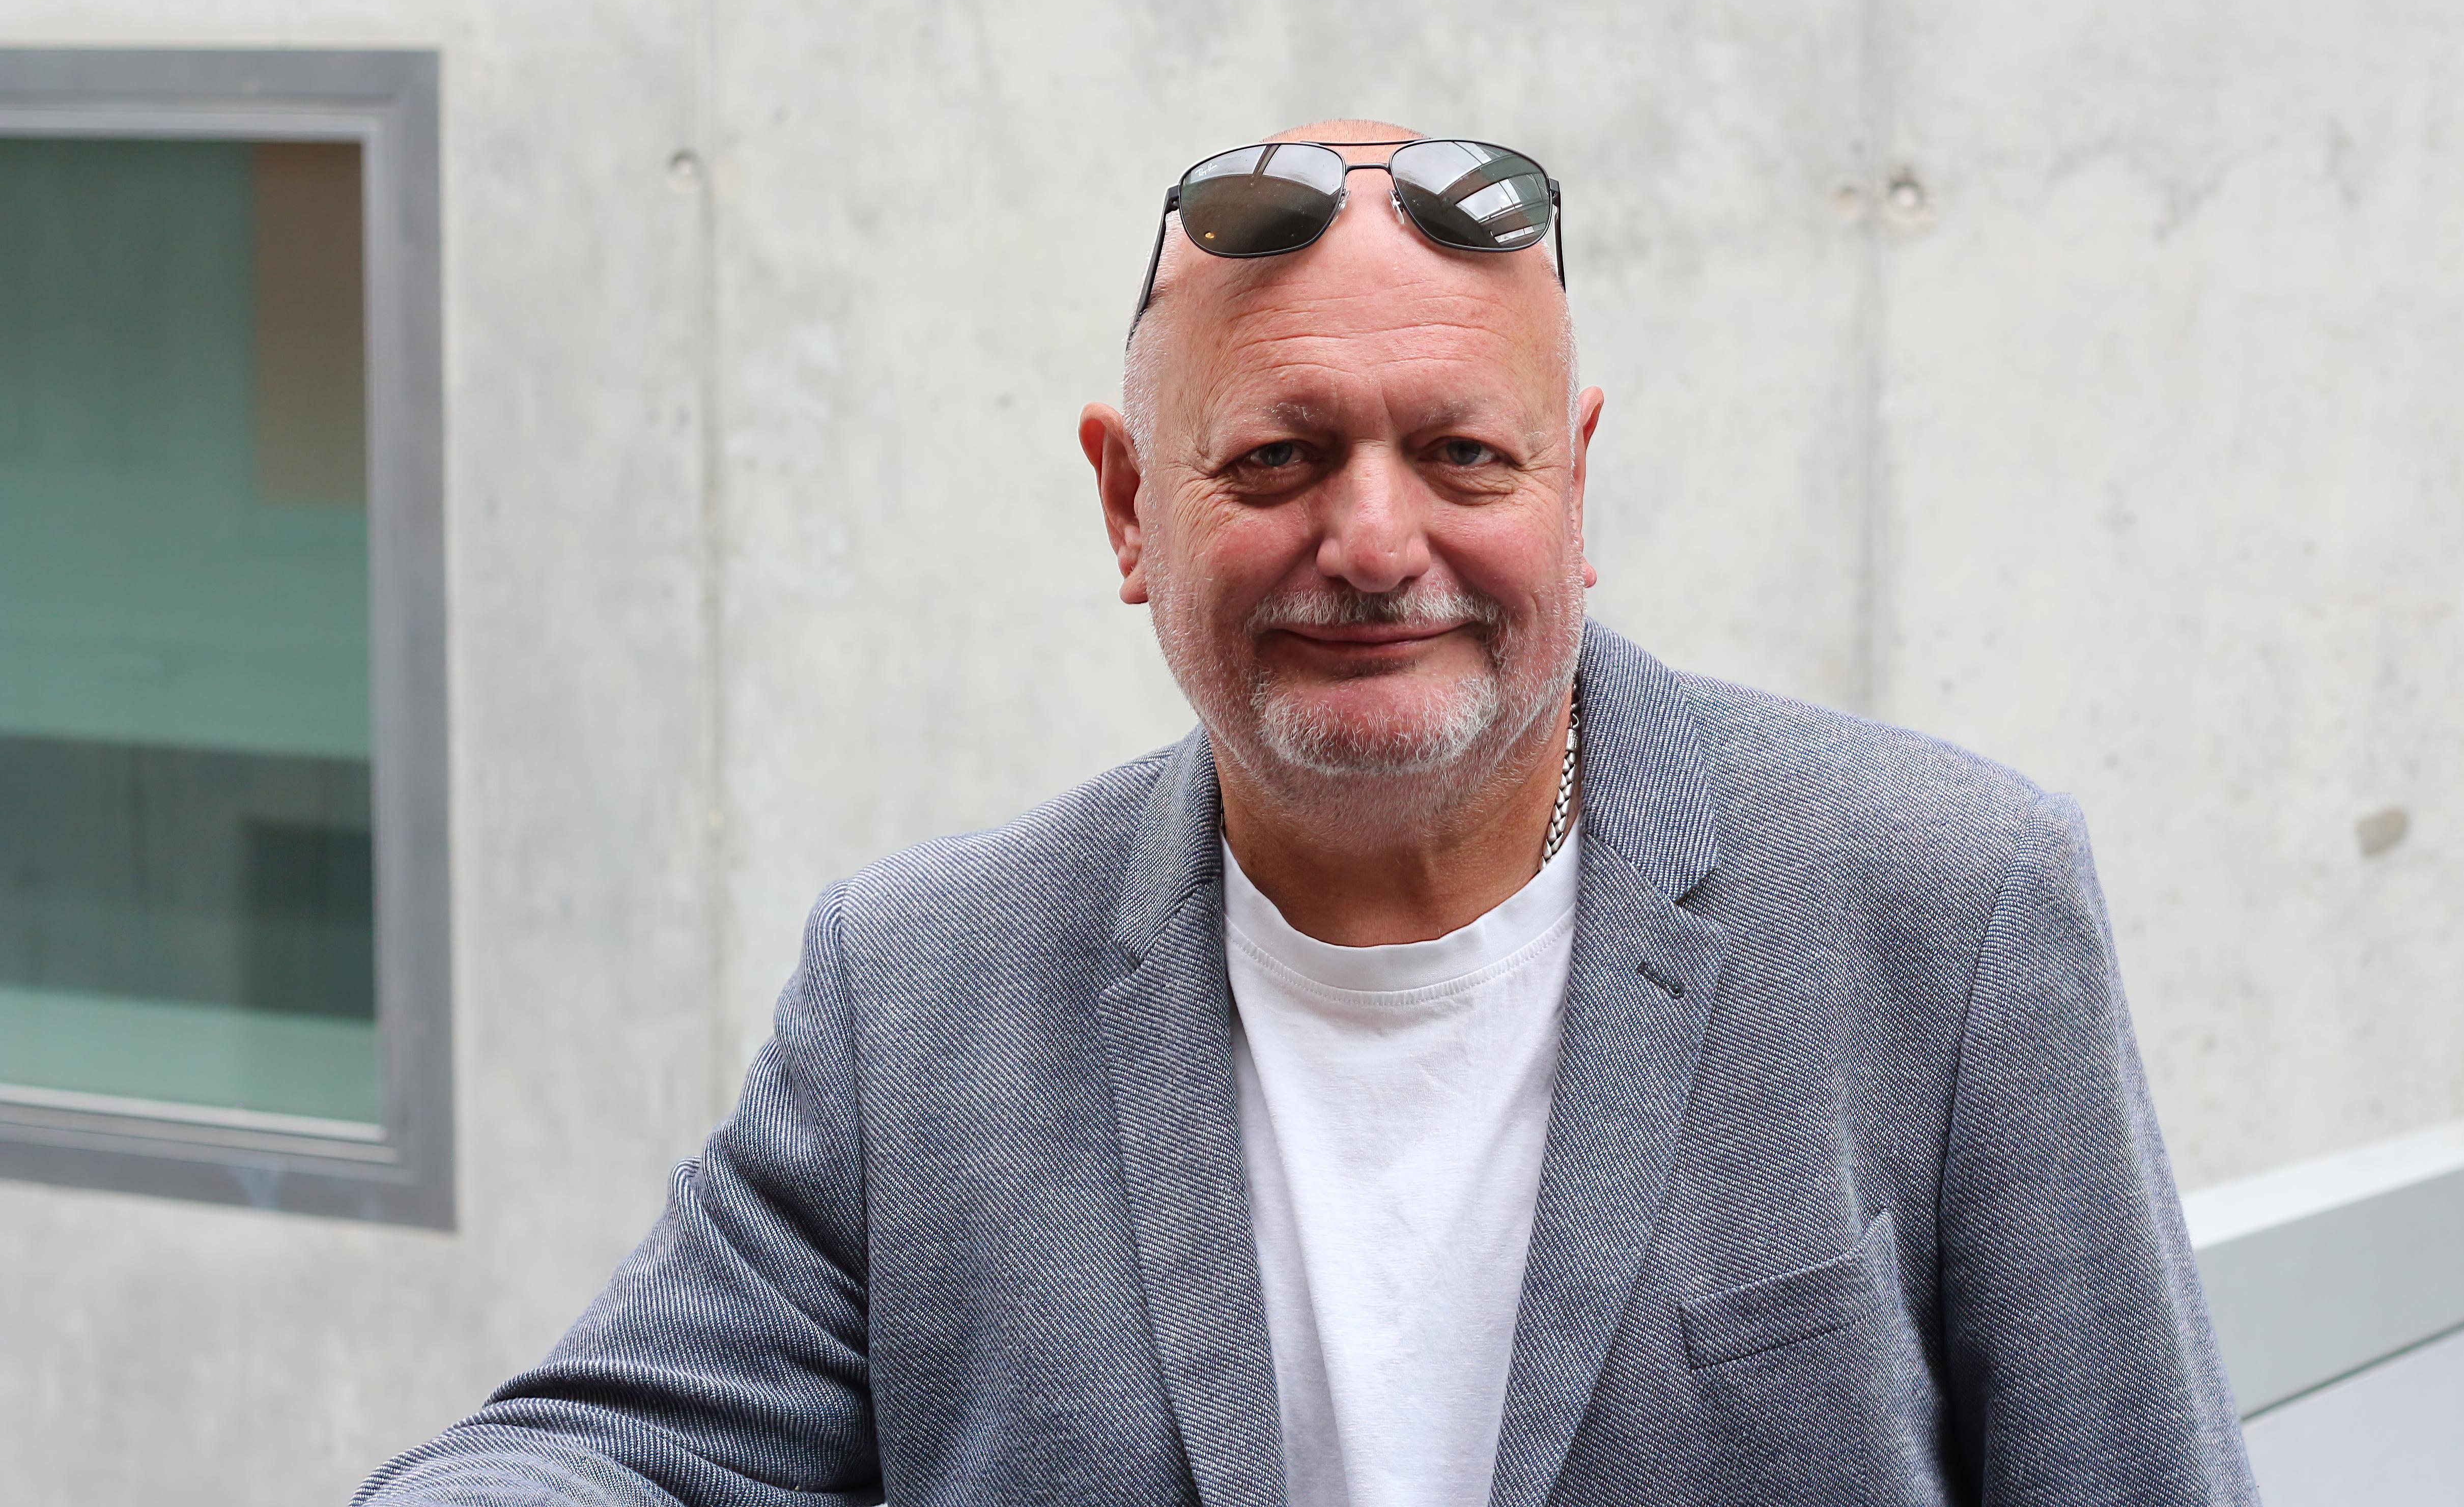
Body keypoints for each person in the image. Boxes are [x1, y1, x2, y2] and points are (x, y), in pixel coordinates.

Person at [358, 120, 2257, 1506]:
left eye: (1463, 455)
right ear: (1130, 507)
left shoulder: (1952, 907)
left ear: (1575, 490)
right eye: (1276, 458)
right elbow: (612, 1453)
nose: (1371, 539)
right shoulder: (920, 989)